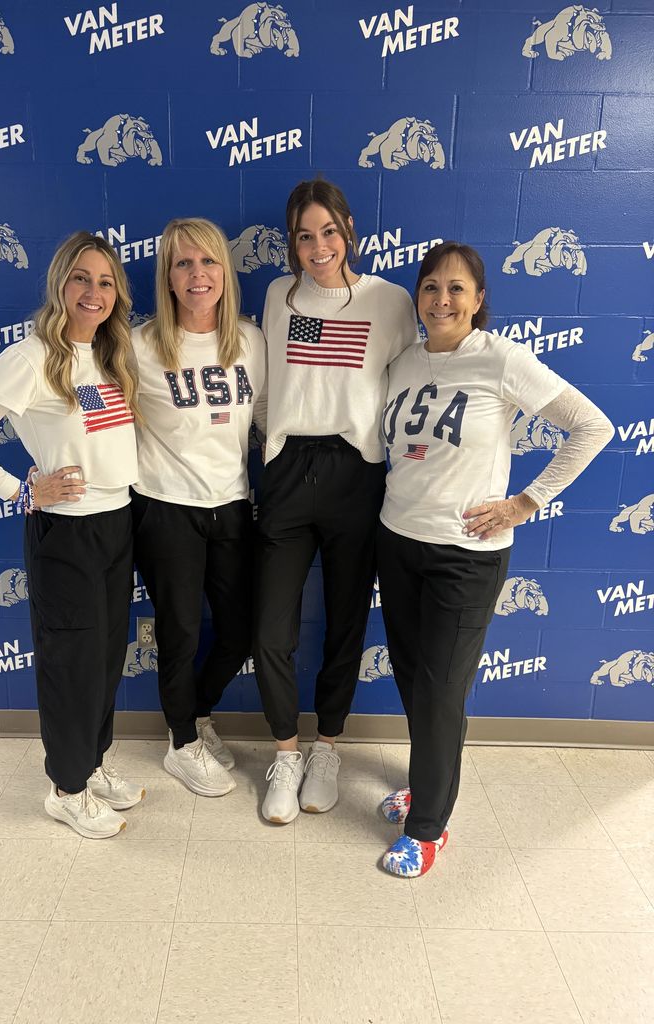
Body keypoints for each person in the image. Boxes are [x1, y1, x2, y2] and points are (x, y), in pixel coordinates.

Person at [377, 241, 614, 877]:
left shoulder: (500, 358)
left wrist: (526, 502)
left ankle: (428, 829)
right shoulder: (402, 362)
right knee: (415, 682)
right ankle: (426, 786)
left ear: (479, 299)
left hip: (466, 556)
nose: (442, 299)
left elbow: (592, 427)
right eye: (431, 287)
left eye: (456, 288)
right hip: (397, 541)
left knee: (441, 690)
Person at [0, 231, 144, 839]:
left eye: (105, 282)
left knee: (105, 658)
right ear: (59, 283)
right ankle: (67, 788)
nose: (93, 292)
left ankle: (92, 764)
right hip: (66, 534)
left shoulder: (110, 353)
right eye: (81, 278)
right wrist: (20, 490)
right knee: (71, 664)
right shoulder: (29, 357)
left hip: (117, 521)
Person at [253, 178, 418, 824]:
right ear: (291, 243)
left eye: (328, 231)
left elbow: (411, 386)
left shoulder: (391, 300)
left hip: (357, 472)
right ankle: (285, 753)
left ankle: (326, 748)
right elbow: (267, 384)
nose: (318, 246)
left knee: (346, 622)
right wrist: (271, 445)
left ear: (349, 230)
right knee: (271, 629)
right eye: (304, 235)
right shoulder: (278, 294)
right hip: (288, 469)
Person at [130, 218, 265, 796]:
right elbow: (94, 409)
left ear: (225, 272)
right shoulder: (138, 345)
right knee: (180, 633)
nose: (197, 274)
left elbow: (264, 419)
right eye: (182, 263)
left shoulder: (251, 341)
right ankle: (181, 743)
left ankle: (198, 712)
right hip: (165, 509)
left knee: (239, 632)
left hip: (232, 505)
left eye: (208, 261)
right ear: (167, 276)